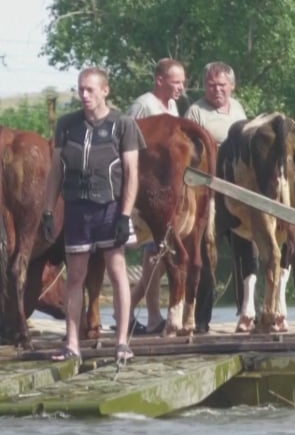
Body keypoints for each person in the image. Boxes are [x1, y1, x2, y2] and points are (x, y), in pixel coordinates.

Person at [42, 67, 146, 363]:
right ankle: (72, 344)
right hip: (77, 210)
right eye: (81, 89)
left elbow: (131, 173)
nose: (84, 95)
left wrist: (125, 216)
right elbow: (55, 172)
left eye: (90, 89)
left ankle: (122, 342)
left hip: (110, 208)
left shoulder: (123, 125)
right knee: (75, 276)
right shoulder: (67, 125)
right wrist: (49, 210)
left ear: (105, 90)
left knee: (117, 272)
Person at [184, 61, 248, 333]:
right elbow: (186, 153)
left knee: (247, 250)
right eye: (211, 85)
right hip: (206, 195)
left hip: (238, 194)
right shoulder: (196, 112)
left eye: (222, 85)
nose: (217, 90)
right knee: (205, 255)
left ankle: (248, 314)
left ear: (232, 86)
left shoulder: (239, 110)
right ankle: (201, 320)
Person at [125, 58, 186, 335]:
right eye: (176, 82)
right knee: (154, 255)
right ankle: (145, 314)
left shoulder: (173, 106)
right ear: (159, 80)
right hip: (147, 192)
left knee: (158, 256)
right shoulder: (143, 105)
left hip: (166, 188)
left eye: (183, 82)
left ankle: (137, 313)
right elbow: (130, 148)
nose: (181, 88)